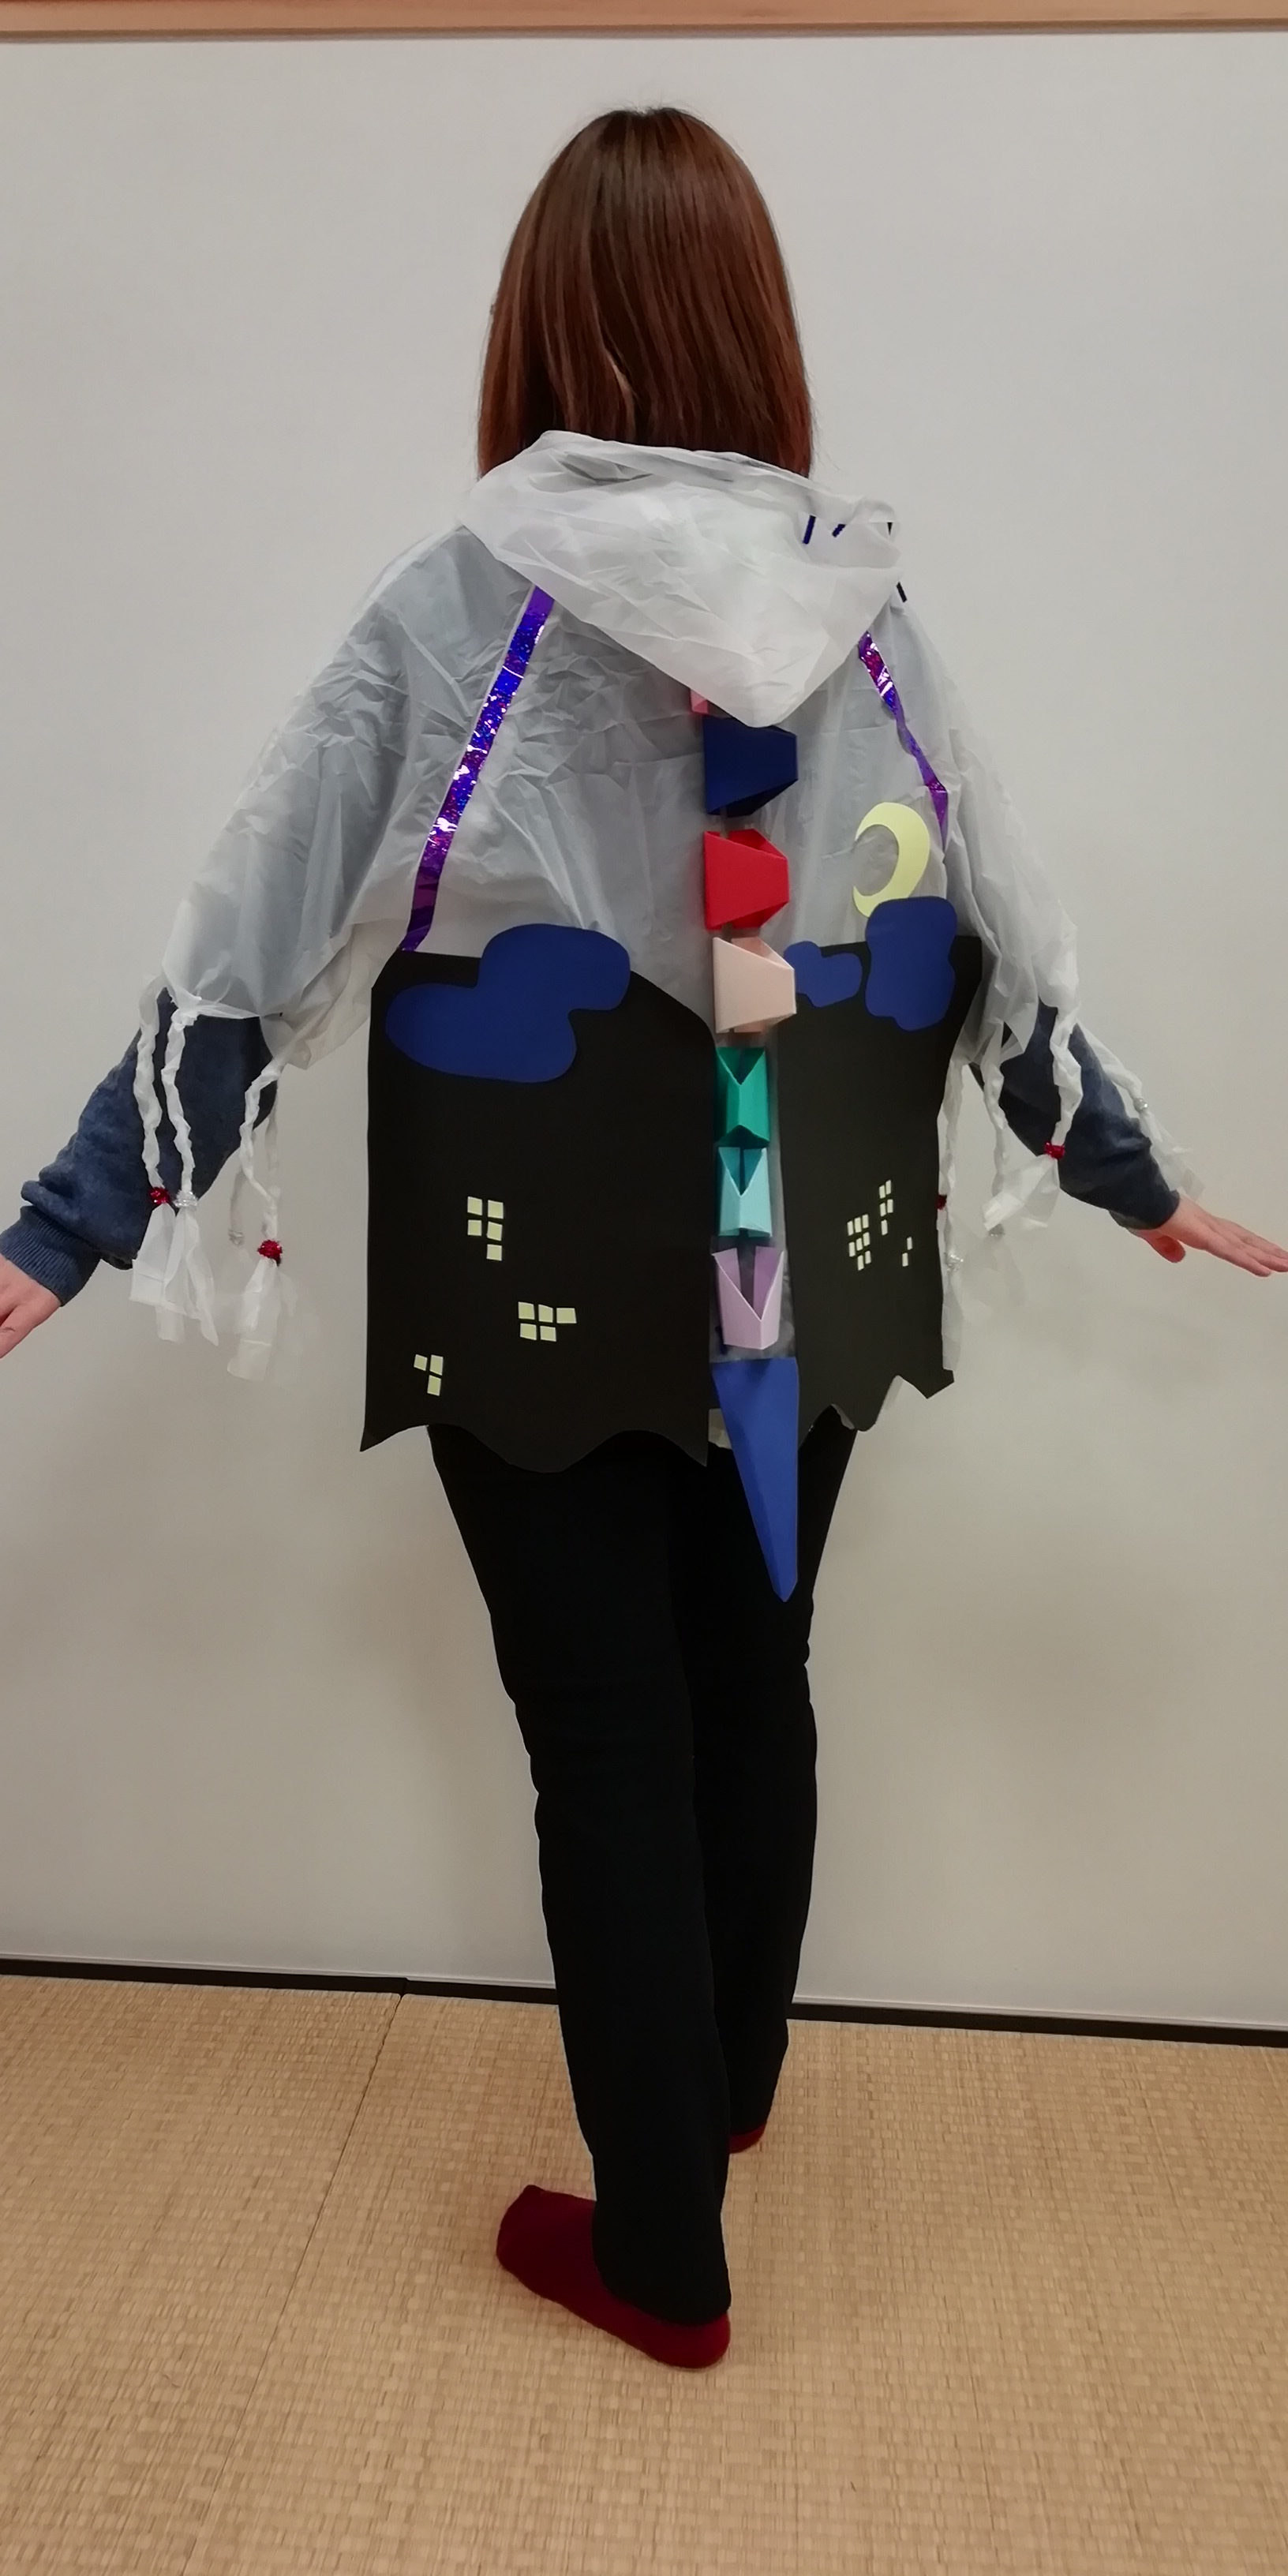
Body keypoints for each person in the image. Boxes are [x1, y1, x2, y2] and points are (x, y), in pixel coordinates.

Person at [1, 107, 1284, 2372]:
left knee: (604, 1727)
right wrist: (1119, 1166)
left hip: (543, 1247)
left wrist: (70, 1220)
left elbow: (254, 939)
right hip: (812, 1235)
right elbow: (992, 927)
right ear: (759, 333)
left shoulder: (459, 604)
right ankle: (725, 2091)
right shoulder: (866, 610)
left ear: (534, 332)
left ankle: (662, 2247)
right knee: (751, 1673)